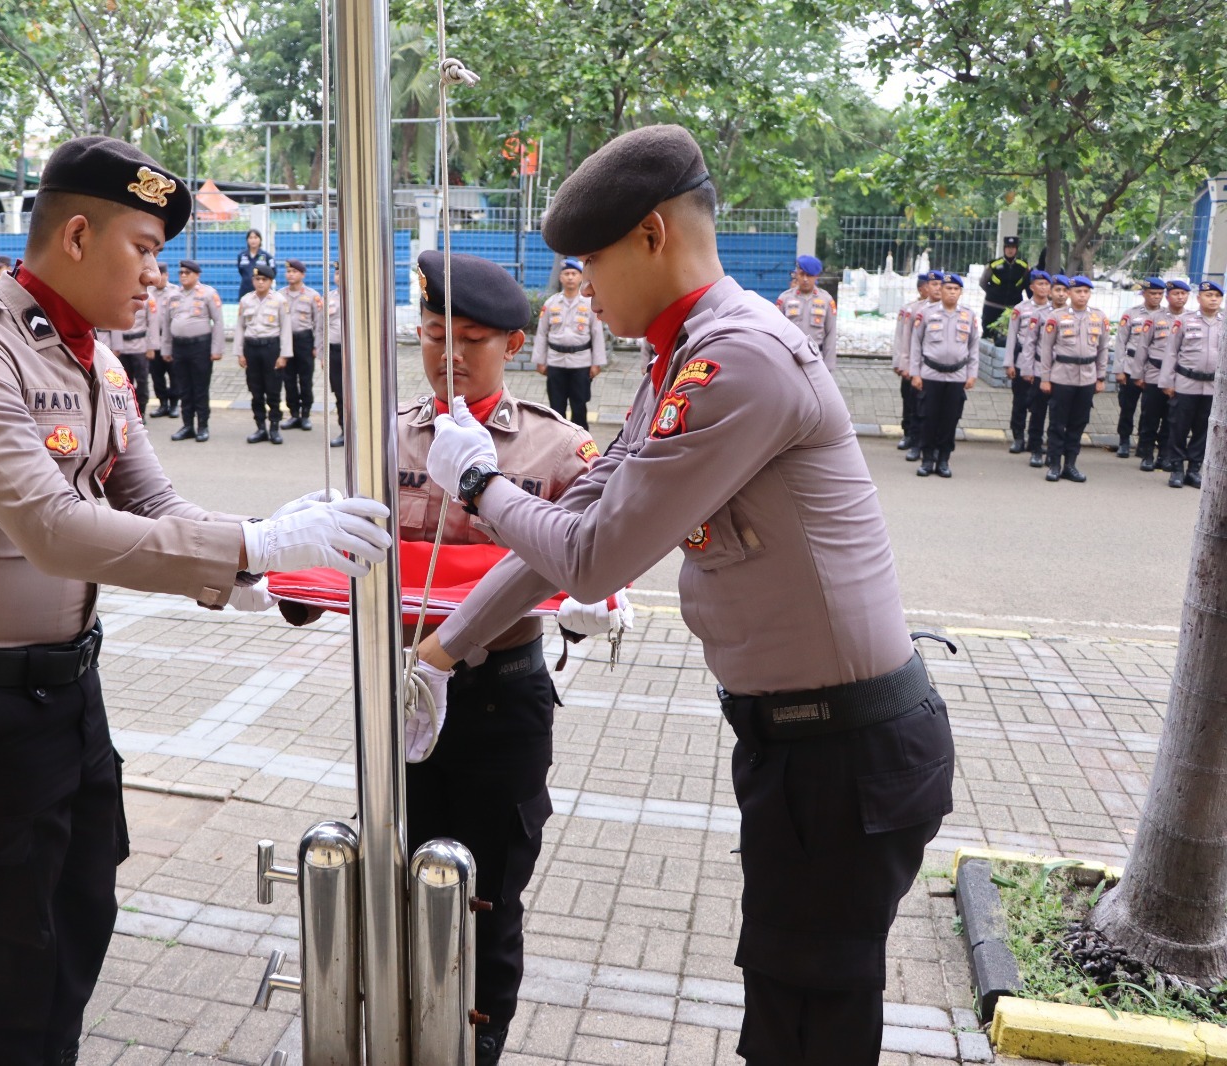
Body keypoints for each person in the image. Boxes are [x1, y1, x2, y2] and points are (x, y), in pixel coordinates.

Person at [416, 124, 953, 1066]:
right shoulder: (682, 356)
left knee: (807, 1025)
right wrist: (439, 651)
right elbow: (571, 523)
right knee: (791, 1006)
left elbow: (591, 560)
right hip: (805, 747)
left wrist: (476, 483)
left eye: (592, 263)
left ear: (653, 235)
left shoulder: (734, 360)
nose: (581, 288)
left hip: (842, 758)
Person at [0, 134, 391, 1066]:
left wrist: (255, 562)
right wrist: (251, 544)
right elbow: (54, 529)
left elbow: (152, 503)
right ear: (76, 236)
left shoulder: (97, 364)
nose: (155, 273)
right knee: (12, 955)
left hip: (69, 693)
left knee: (81, 916)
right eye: (143, 249)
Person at [283, 249, 625, 1066]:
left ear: (513, 344)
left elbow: (588, 565)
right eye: (436, 335)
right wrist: (292, 570)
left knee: (486, 897)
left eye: (472, 339)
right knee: (392, 880)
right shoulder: (386, 437)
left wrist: (591, 601)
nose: (450, 355)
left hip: (500, 697)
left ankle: (478, 1045)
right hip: (397, 693)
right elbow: (343, 560)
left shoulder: (556, 449)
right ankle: (400, 1033)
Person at [1036, 275, 1109, 483]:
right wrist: (1045, 378)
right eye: (1078, 291)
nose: (1082, 295)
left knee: (1078, 423)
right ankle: (1054, 465)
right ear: (1069, 293)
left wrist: (1101, 377)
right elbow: (1046, 348)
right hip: (1062, 376)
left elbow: (1103, 349)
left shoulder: (1098, 317)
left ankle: (1070, 464)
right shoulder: (1057, 317)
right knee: (1057, 423)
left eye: (1086, 292)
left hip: (1087, 378)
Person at [910, 273, 979, 478]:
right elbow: (916, 344)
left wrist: (972, 373)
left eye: (956, 289)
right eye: (948, 288)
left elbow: (974, 346)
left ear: (960, 292)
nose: (952, 292)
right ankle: (927, 459)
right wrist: (915, 373)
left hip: (957, 375)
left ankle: (943, 460)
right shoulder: (926, 313)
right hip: (930, 374)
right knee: (928, 418)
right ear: (941, 290)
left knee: (950, 420)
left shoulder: (968, 315)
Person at [1159, 279, 1222, 489]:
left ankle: (1194, 469)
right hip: (1186, 383)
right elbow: (1171, 352)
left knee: (1204, 429)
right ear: (1199, 298)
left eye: (1217, 296)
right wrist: (1167, 382)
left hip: (1213, 387)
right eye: (1209, 295)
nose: (1213, 299)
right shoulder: (1184, 321)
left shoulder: (1224, 323)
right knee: (1179, 426)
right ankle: (1176, 468)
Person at [534, 256, 607, 427]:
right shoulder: (551, 303)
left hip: (580, 362)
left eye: (574, 273)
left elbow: (597, 333)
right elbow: (542, 333)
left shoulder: (589, 304)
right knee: (556, 408)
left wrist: (597, 363)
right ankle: (558, 440)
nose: (570, 277)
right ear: (561, 277)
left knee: (579, 406)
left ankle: (581, 440)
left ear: (581, 277)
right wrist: (540, 361)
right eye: (566, 274)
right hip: (555, 361)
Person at [159, 258, 225, 442]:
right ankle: (187, 425)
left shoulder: (208, 293)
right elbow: (166, 324)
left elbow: (218, 322)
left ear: (197, 275)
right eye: (181, 273)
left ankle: (202, 425)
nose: (183, 276)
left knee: (200, 388)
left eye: (187, 273)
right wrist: (166, 349)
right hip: (179, 347)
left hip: (200, 347)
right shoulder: (174, 295)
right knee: (184, 388)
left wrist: (217, 349)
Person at [1135, 280, 1190, 472]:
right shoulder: (1154, 318)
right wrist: (1138, 374)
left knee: (1171, 419)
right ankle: (1147, 454)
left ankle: (1164, 456)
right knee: (1150, 416)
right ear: (1167, 297)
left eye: (1183, 294)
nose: (1180, 297)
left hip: (1178, 376)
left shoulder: (1190, 319)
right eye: (1176, 294)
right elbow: (1142, 347)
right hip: (1154, 373)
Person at [236, 264, 292, 444]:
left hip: (271, 348)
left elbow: (286, 329)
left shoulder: (279, 300)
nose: (260, 282)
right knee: (256, 390)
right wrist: (239, 353)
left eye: (264, 279)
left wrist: (284, 355)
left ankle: (274, 427)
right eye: (257, 279)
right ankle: (260, 427)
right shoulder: (246, 300)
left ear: (270, 281)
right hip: (251, 348)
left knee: (273, 390)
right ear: (252, 280)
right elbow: (240, 327)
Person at [1111, 279, 1165, 458]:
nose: (1156, 297)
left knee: (1150, 409)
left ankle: (1143, 443)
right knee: (1127, 407)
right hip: (1130, 366)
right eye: (1153, 293)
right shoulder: (1131, 314)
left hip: (1153, 368)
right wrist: (1119, 369)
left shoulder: (1166, 316)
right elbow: (1120, 342)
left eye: (1160, 294)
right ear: (1144, 293)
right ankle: (1124, 441)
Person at [1003, 269, 1053, 456]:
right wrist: (1009, 363)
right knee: (1020, 401)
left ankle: (1034, 440)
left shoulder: (1053, 311)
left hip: (1042, 363)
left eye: (1046, 284)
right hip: (1022, 359)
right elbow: (1011, 337)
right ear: (1031, 287)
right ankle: (1018, 437)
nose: (1043, 288)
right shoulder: (1021, 308)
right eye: (1040, 284)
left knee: (1039, 404)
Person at [891, 271, 940, 459]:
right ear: (922, 288)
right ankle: (909, 434)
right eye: (932, 284)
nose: (937, 288)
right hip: (912, 364)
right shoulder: (912, 309)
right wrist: (901, 364)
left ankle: (928, 441)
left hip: (932, 367)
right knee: (910, 401)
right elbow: (902, 338)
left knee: (927, 406)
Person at [99, 282, 158, 421]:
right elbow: (115, 320)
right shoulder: (121, 294)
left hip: (140, 347)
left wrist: (151, 347)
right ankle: (126, 414)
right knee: (124, 382)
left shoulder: (148, 297)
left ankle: (141, 411)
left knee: (142, 381)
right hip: (122, 348)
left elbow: (153, 323)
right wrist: (116, 346)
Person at [278, 258, 323, 432]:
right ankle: (294, 414)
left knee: (305, 379)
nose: (290, 274)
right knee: (288, 379)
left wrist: (317, 346)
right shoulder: (280, 295)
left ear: (302, 274)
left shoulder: (312, 296)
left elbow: (319, 323)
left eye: (294, 271)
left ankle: (305, 415)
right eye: (288, 271)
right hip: (286, 341)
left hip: (304, 340)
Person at [775, 254, 837, 369]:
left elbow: (831, 334)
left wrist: (828, 366)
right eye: (802, 274)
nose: (805, 279)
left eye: (809, 275)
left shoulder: (826, 300)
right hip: (790, 358)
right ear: (796, 274)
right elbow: (777, 332)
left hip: (816, 358)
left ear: (816, 276)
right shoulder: (784, 299)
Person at [981, 235, 1031, 341]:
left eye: (1013, 247)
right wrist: (993, 293)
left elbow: (1027, 283)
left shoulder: (1023, 266)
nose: (1010, 250)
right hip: (992, 306)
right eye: (1008, 247)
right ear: (1004, 248)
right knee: (988, 335)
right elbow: (983, 282)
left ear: (1016, 249)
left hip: (1013, 307)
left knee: (1011, 338)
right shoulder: (994, 264)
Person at [146, 262, 179, 419]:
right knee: (156, 374)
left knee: (174, 374)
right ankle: (163, 403)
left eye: (162, 275)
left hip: (170, 339)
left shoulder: (175, 292)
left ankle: (174, 404)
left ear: (166, 275)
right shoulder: (148, 292)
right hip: (153, 339)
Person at [327, 262, 345, 448]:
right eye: (337, 273)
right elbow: (321, 327)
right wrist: (322, 354)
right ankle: (344, 430)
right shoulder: (328, 298)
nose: (339, 277)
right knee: (340, 394)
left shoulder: (358, 298)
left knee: (357, 393)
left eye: (343, 273)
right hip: (334, 352)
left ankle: (360, 431)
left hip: (354, 355)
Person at [235, 227, 274, 298]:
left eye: (255, 237)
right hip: (245, 291)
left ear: (260, 239)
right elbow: (241, 271)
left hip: (263, 293)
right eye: (250, 238)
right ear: (247, 240)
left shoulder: (267, 256)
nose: (253, 240)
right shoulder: (241, 256)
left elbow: (273, 272)